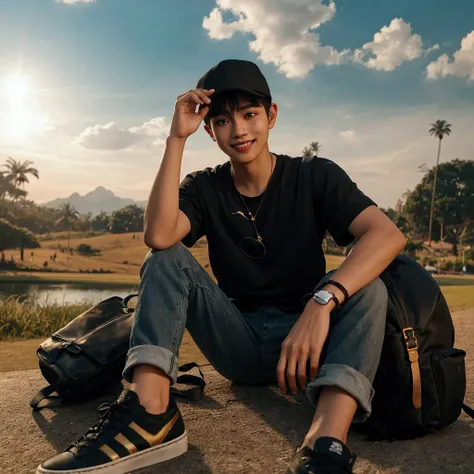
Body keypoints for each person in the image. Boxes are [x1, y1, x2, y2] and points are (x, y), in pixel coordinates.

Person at [36, 59, 406, 474]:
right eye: (224, 120)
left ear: (272, 116)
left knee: (368, 286)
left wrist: (322, 303)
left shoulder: (313, 175)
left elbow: (386, 234)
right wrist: (176, 138)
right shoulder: (204, 186)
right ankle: (151, 413)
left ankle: (325, 442)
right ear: (209, 130)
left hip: (308, 347)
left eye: (250, 115)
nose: (240, 130)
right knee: (166, 256)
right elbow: (158, 236)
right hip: (239, 341)